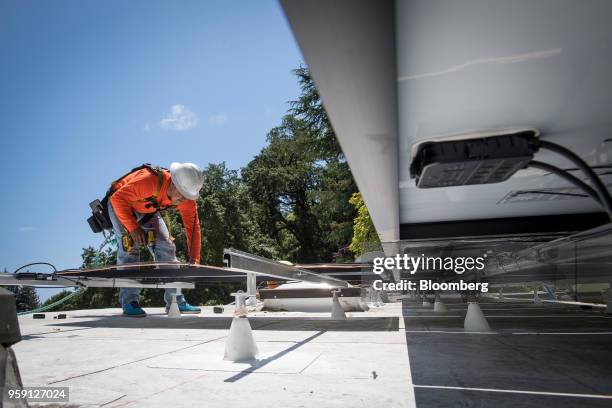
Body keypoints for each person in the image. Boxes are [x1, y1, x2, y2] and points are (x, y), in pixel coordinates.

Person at [107, 162, 204, 317]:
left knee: (166, 246)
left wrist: (194, 259)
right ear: (173, 183)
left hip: (147, 209)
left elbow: (193, 229)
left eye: (187, 196)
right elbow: (118, 199)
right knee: (130, 248)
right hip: (121, 204)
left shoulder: (187, 199)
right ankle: (130, 302)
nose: (183, 200)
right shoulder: (149, 180)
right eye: (181, 194)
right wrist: (133, 228)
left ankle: (175, 301)